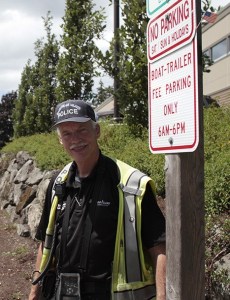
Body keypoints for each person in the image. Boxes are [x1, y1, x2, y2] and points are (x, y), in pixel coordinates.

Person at [28, 99, 166, 300]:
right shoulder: (58, 183)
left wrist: (162, 297)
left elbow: (159, 248)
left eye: (82, 130)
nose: (75, 139)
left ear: (97, 131)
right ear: (60, 140)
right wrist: (34, 293)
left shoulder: (130, 183)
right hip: (61, 292)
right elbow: (45, 243)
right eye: (67, 133)